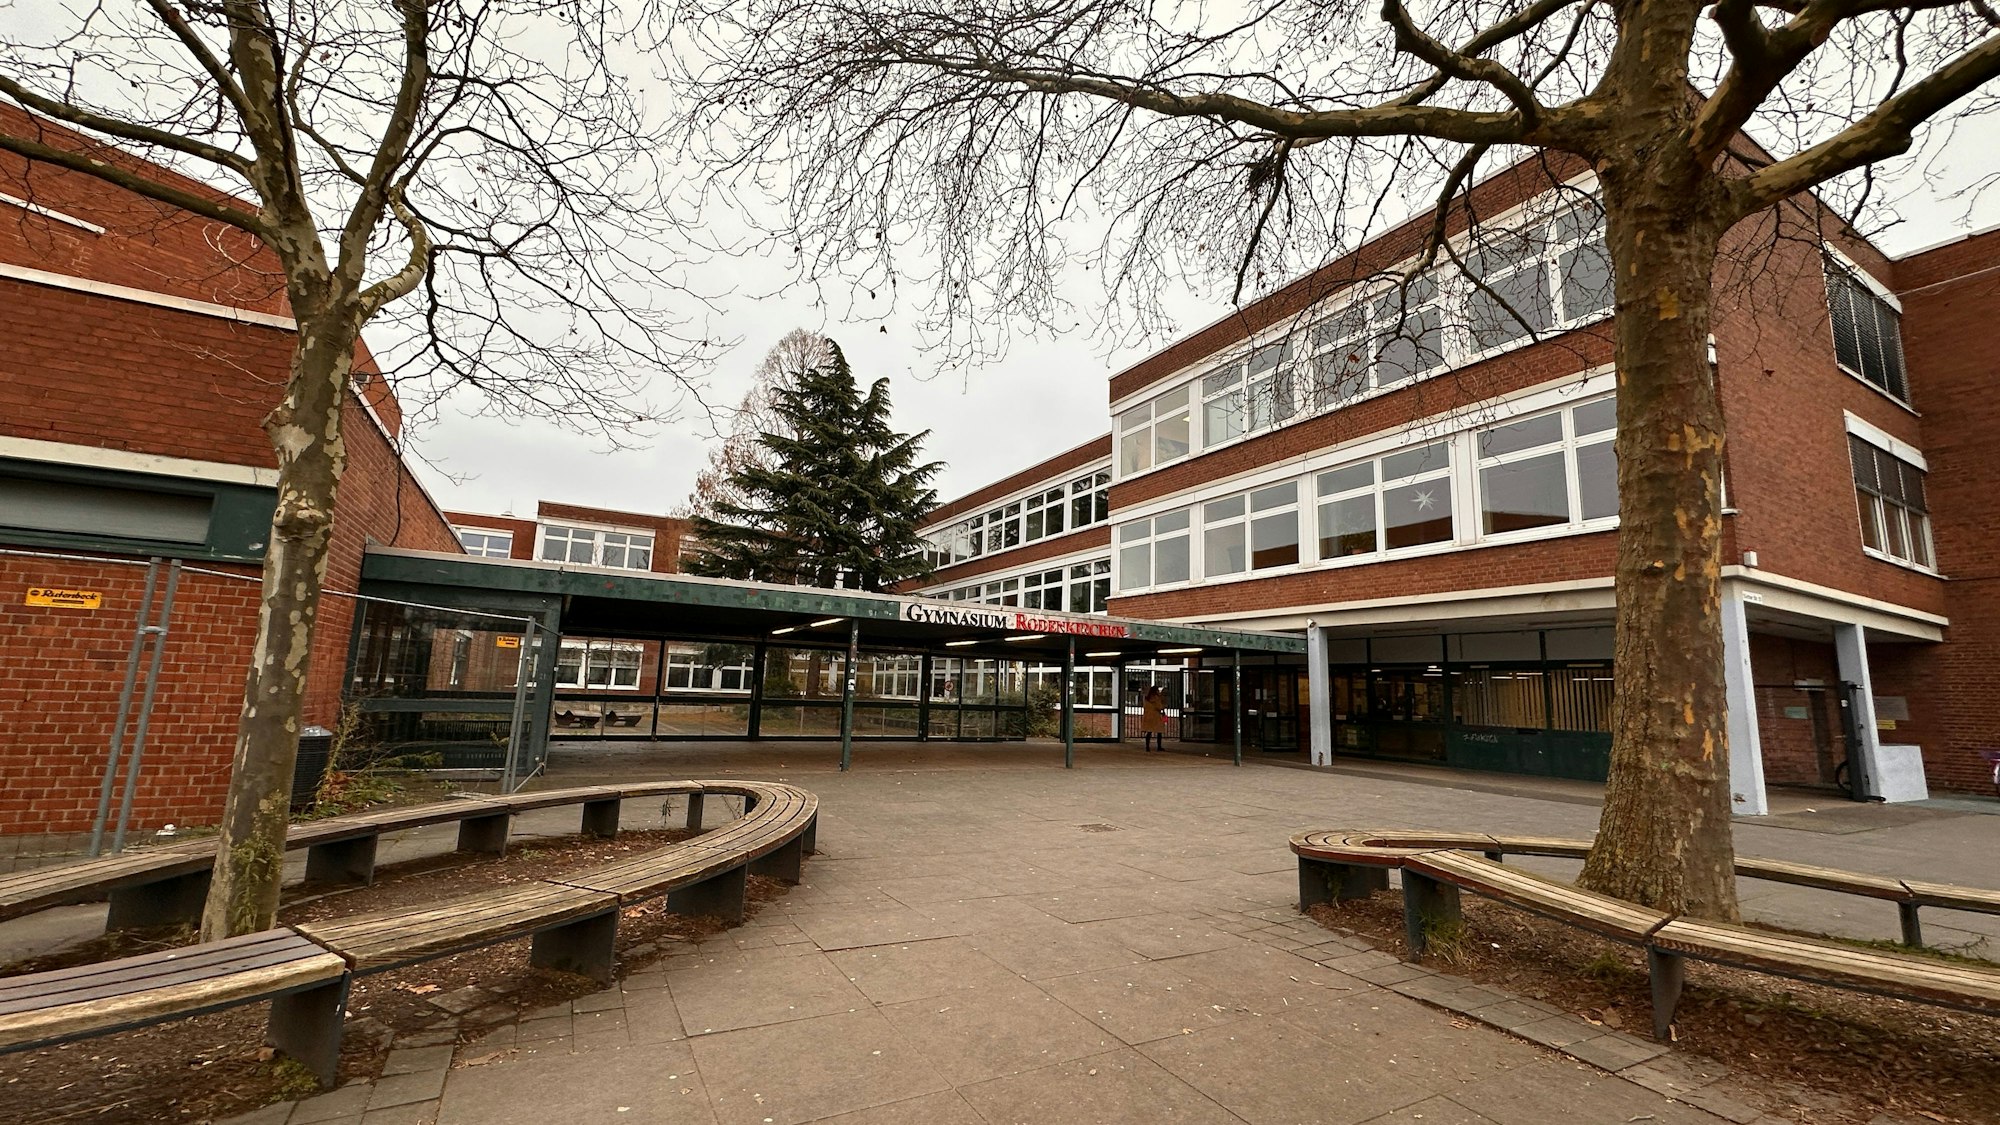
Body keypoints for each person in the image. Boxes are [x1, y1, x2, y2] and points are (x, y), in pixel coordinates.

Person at [1140, 684, 1168, 752]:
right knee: (1159, 732)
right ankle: (1159, 746)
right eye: (1158, 690)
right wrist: (1163, 705)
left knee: (1149, 732)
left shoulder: (1147, 698)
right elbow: (1159, 706)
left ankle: (1147, 747)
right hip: (1156, 716)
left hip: (1148, 716)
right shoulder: (1156, 698)